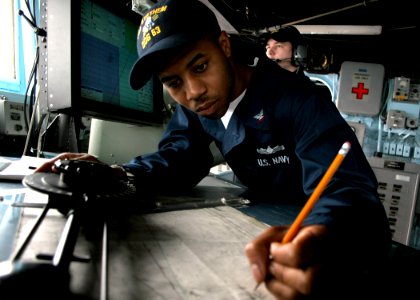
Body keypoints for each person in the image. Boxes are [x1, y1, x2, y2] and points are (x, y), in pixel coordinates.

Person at [36, 0, 391, 299]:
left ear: (223, 45)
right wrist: (120, 174)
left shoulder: (298, 99)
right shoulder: (199, 109)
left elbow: (350, 191)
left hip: (303, 232)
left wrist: (324, 234)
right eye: (173, 82)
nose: (192, 92)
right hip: (257, 222)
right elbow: (178, 156)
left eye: (200, 66)